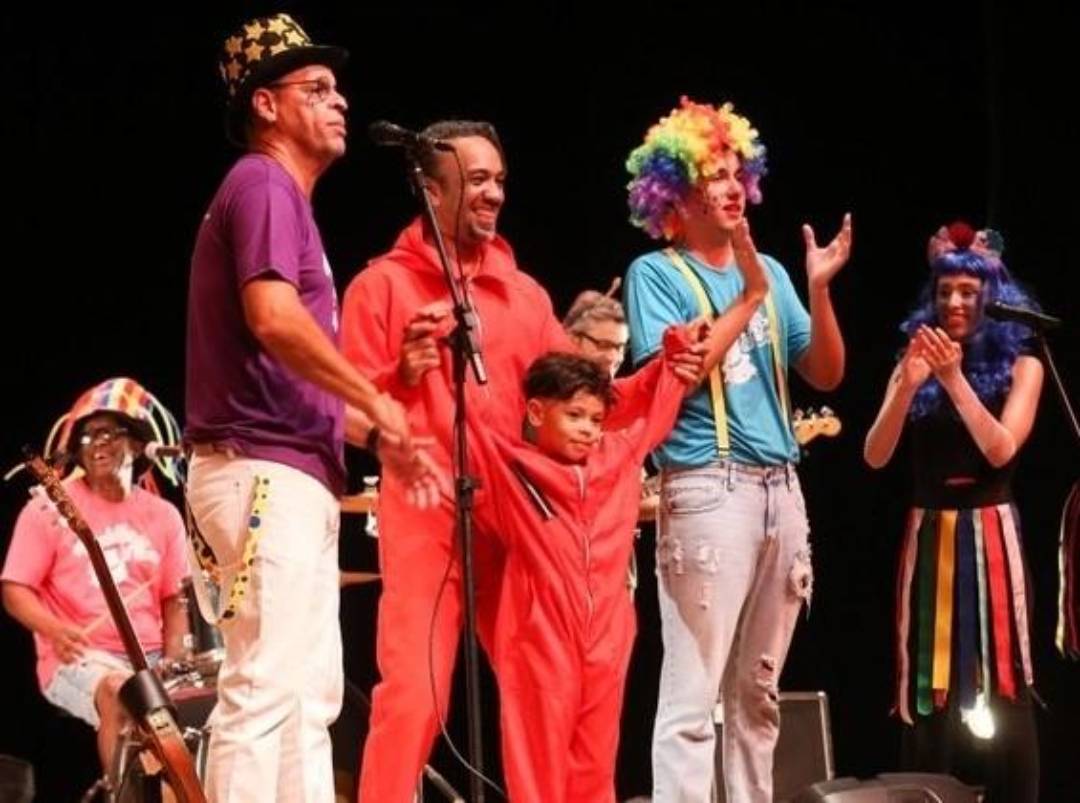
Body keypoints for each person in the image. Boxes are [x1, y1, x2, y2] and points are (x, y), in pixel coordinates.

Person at [184, 13, 429, 802]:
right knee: (265, 690)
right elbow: (274, 319)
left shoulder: (286, 201)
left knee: (308, 698)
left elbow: (290, 376)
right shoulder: (261, 183)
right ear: (265, 104)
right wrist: (376, 403)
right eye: (316, 89)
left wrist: (377, 430)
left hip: (285, 471)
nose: (340, 102)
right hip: (260, 475)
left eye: (338, 89)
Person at [339, 119, 578, 802]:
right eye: (478, 179)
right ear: (431, 189)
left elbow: (571, 396)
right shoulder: (379, 288)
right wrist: (399, 372)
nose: (495, 193)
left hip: (513, 514)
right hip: (424, 515)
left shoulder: (524, 295)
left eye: (500, 179)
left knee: (542, 686)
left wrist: (655, 379)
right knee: (413, 696)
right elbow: (344, 415)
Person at [622, 97, 851, 803]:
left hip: (781, 488)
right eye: (707, 175)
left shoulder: (776, 272)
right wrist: (749, 295)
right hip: (706, 488)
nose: (727, 186)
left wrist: (813, 288)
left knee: (758, 694)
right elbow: (684, 375)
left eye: (732, 172)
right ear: (673, 197)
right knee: (693, 699)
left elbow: (826, 373)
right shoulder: (655, 275)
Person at [420, 326, 696, 802]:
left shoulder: (617, 457)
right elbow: (459, 423)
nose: (588, 428)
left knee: (595, 766)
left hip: (608, 637)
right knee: (538, 767)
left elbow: (659, 414)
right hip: (537, 638)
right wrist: (435, 367)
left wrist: (673, 361)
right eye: (574, 416)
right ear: (535, 412)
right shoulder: (514, 468)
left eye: (595, 418)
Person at [864, 221, 1044, 802]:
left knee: (1006, 682)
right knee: (928, 688)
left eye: (968, 291)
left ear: (993, 296)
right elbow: (874, 455)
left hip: (992, 533)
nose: (955, 302)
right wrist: (907, 386)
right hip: (930, 532)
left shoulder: (1025, 365)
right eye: (945, 292)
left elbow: (1000, 449)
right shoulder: (913, 356)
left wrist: (953, 379)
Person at [2, 378, 188, 779]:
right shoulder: (49, 509)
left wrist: (175, 663)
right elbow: (15, 588)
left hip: (150, 657)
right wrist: (55, 628)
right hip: (79, 659)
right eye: (86, 436)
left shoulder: (165, 516)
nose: (95, 443)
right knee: (120, 692)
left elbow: (176, 601)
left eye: (108, 433)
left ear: (138, 445)